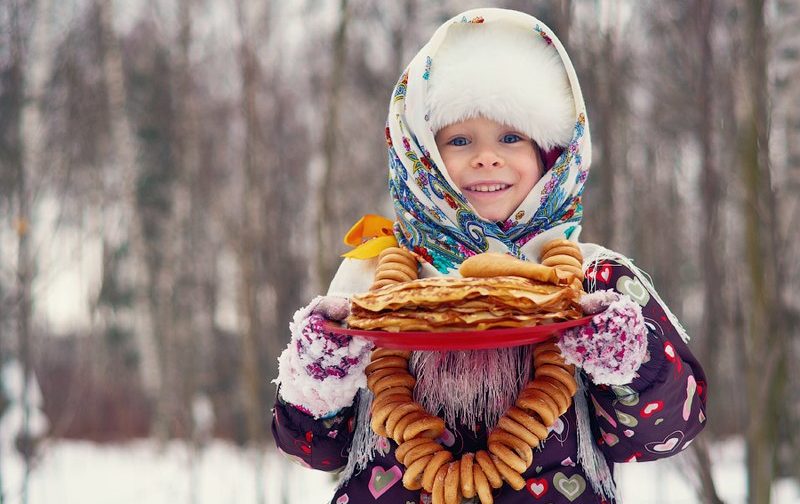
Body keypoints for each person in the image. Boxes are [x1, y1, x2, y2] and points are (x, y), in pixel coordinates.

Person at [272, 8, 707, 503]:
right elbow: (314, 451)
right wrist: (318, 374)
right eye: (459, 140)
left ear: (551, 154)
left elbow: (664, 433)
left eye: (511, 136)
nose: (486, 157)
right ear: (420, 158)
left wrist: (627, 360)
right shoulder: (372, 281)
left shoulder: (596, 282)